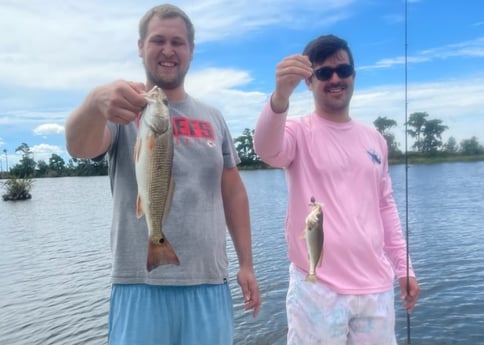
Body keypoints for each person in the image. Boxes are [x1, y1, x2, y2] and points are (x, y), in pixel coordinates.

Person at [65, 4, 260, 345]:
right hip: (139, 282)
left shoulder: (213, 117)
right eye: (157, 40)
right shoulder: (119, 110)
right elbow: (78, 147)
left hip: (209, 282)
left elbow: (233, 192)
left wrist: (247, 263)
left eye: (178, 42)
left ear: (191, 51)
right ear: (140, 46)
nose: (168, 50)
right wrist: (94, 101)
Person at [254, 34, 420, 344]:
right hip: (317, 287)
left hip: (376, 288)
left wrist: (404, 267)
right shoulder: (297, 131)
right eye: (324, 72)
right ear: (309, 80)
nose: (335, 79)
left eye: (343, 70)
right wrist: (279, 98)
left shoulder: (375, 139)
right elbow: (266, 150)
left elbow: (385, 208)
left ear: (353, 75)